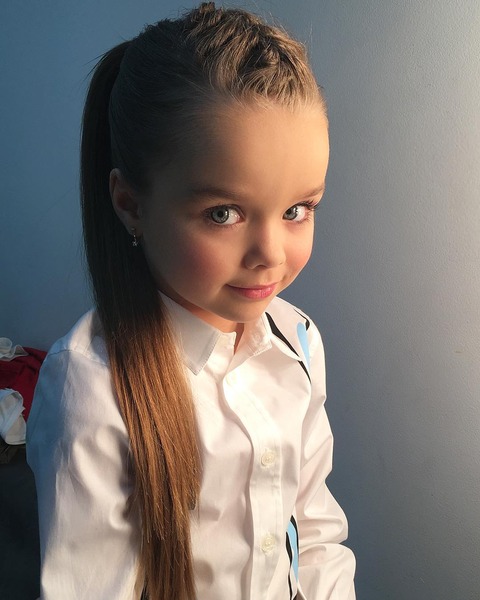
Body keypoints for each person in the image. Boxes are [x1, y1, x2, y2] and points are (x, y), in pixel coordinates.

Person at [26, 3, 356, 599]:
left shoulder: (300, 340)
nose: (270, 254)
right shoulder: (91, 389)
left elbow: (313, 531)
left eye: (297, 210)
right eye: (223, 214)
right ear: (130, 204)